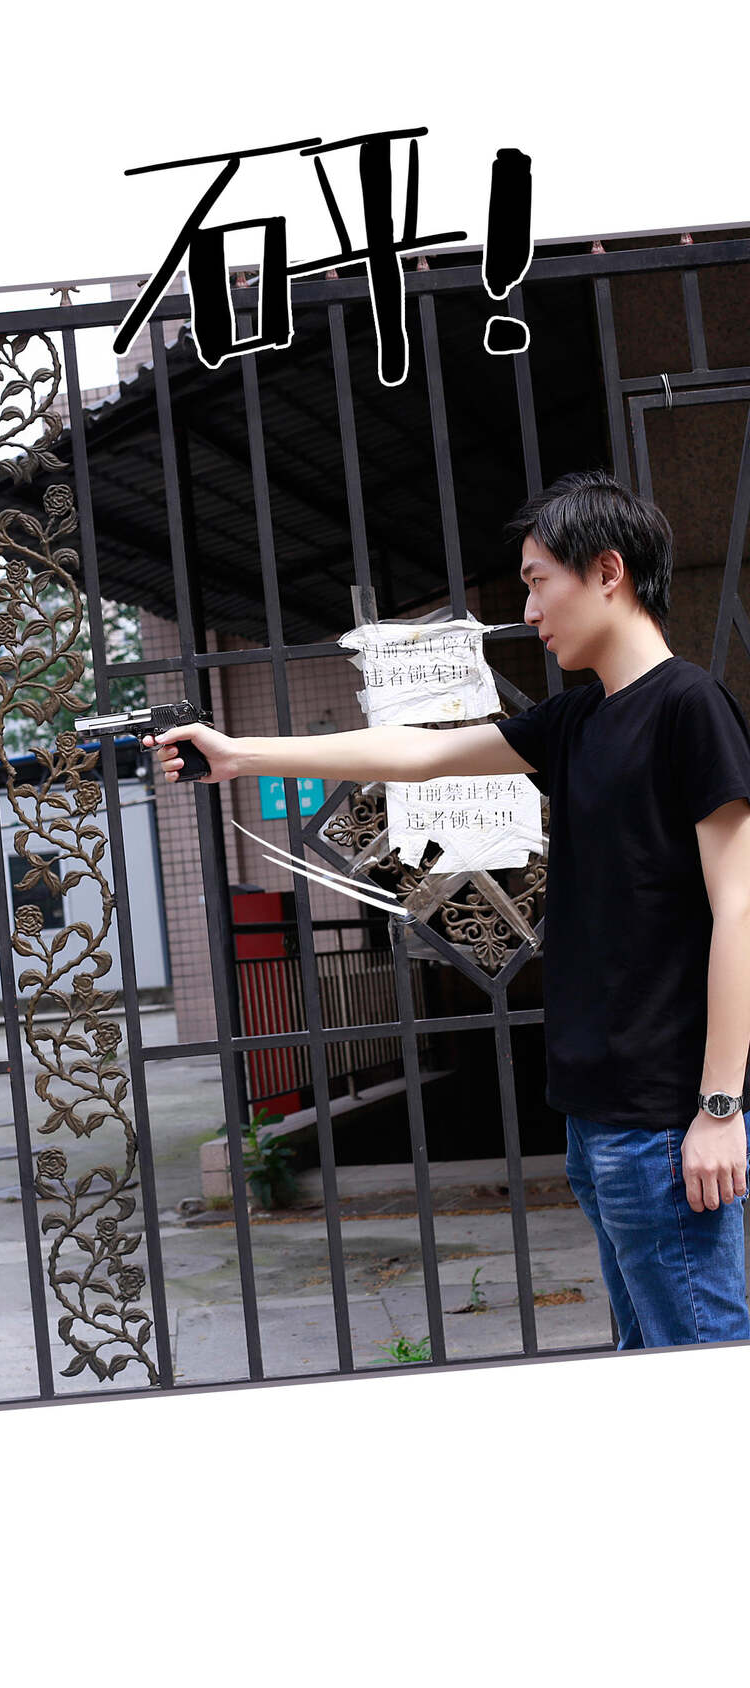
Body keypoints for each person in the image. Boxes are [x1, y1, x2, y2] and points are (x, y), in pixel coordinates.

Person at [144, 469, 750, 1351]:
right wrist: (238, 754)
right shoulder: (579, 720)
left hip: (665, 1123)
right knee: (646, 1365)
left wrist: (720, 1108)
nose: (529, 611)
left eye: (539, 581)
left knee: (702, 1366)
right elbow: (416, 755)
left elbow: (739, 909)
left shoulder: (690, 708)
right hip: (599, 1120)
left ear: (608, 571)